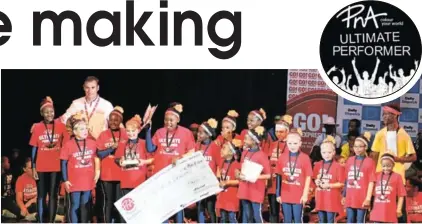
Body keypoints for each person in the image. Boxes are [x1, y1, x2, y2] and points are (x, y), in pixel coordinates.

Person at [145, 102, 196, 223]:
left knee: (177, 204)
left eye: (171, 120)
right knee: (163, 205)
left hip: (177, 174)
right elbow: (150, 148)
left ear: (178, 120)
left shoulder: (186, 133)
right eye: (166, 120)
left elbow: (192, 151)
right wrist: (148, 130)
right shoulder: (159, 132)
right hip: (161, 174)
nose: (168, 122)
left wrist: (180, 157)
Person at [371, 104, 416, 223]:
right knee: (381, 203)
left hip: (398, 175)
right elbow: (374, 155)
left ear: (395, 115)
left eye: (387, 114)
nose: (384, 117)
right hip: (381, 174)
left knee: (400, 205)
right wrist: (373, 174)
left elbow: (413, 157)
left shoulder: (403, 135)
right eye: (383, 114)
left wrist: (397, 159)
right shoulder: (380, 134)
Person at [29, 96, 69, 223]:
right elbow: (34, 149)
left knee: (53, 195)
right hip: (41, 166)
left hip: (56, 166)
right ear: (42, 113)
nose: (49, 114)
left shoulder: (62, 126)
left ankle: (50, 221)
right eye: (46, 112)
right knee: (41, 195)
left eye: (51, 111)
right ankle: (41, 221)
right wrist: (33, 167)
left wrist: (65, 166)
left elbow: (65, 146)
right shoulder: (37, 127)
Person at [60, 112, 101, 223]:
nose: (85, 131)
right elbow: (63, 163)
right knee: (75, 205)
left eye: (86, 129)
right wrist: (66, 180)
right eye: (82, 129)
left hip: (88, 179)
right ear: (74, 131)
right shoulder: (68, 145)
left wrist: (97, 171)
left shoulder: (92, 143)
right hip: (74, 181)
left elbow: (98, 156)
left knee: (85, 205)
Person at [116, 115, 153, 223]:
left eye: (133, 131)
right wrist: (120, 161)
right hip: (125, 181)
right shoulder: (122, 144)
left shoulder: (143, 143)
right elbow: (116, 159)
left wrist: (144, 162)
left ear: (138, 130)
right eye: (128, 131)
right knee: (125, 210)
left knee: (139, 210)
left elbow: (152, 159)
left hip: (140, 182)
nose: (131, 133)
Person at [96, 106, 128, 223]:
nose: (113, 122)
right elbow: (99, 153)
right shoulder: (103, 134)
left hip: (122, 173)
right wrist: (110, 148)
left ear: (120, 121)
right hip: (107, 174)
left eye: (116, 120)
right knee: (108, 201)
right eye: (111, 120)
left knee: (121, 201)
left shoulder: (125, 133)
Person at [275, 128, 312, 223]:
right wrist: (278, 193)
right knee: (286, 219)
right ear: (286, 143)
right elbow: (278, 176)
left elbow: (308, 177)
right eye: (290, 143)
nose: (292, 146)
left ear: (300, 143)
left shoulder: (305, 157)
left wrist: (305, 194)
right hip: (285, 194)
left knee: (297, 219)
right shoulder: (282, 157)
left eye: (295, 143)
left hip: (298, 194)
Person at [60, 76, 114, 140]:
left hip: (100, 143)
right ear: (83, 88)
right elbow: (63, 120)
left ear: (98, 88)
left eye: (93, 87)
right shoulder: (76, 103)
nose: (90, 91)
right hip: (81, 144)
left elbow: (115, 124)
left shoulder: (107, 105)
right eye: (87, 88)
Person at [236, 126, 271, 223]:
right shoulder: (245, 153)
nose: (244, 139)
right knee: (247, 215)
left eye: (247, 138)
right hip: (244, 188)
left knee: (256, 214)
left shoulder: (262, 155)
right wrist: (239, 174)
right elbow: (242, 168)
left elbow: (268, 175)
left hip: (256, 189)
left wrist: (254, 176)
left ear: (254, 141)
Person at [343, 132, 376, 223]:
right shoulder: (349, 160)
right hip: (350, 197)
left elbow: (371, 181)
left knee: (360, 221)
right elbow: (346, 179)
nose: (357, 149)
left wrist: (368, 198)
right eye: (355, 146)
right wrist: (344, 195)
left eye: (360, 146)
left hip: (362, 198)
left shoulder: (370, 162)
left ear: (365, 147)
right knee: (350, 221)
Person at [313, 136, 345, 223]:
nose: (326, 155)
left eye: (329, 152)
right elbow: (314, 179)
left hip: (332, 199)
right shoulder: (317, 165)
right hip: (320, 198)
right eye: (324, 152)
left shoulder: (338, 166)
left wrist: (329, 185)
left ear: (334, 152)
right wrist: (316, 181)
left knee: (330, 220)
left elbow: (342, 183)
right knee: (321, 220)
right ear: (320, 152)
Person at [267, 114, 292, 223]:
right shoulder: (272, 144)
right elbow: (268, 160)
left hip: (285, 182)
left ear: (287, 132)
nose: (278, 134)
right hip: (272, 182)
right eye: (277, 132)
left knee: (287, 211)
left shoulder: (291, 145)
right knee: (273, 210)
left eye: (281, 132)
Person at [195, 118, 221, 223]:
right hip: (198, 182)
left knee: (210, 208)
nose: (198, 134)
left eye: (201, 132)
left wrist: (218, 182)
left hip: (210, 183)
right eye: (198, 132)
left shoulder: (215, 147)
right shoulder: (196, 145)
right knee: (200, 207)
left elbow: (220, 165)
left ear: (209, 134)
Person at [369, 153, 406, 223]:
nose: (386, 168)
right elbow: (370, 191)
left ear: (393, 165)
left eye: (388, 166)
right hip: (377, 211)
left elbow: (401, 195)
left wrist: (399, 209)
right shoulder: (376, 175)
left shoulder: (397, 176)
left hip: (390, 211)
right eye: (384, 166)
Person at [216, 139, 242, 223]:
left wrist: (228, 182)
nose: (221, 150)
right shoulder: (221, 162)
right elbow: (219, 174)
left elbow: (239, 181)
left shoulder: (236, 165)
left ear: (231, 152)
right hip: (222, 196)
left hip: (232, 197)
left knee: (232, 218)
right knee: (223, 218)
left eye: (224, 148)